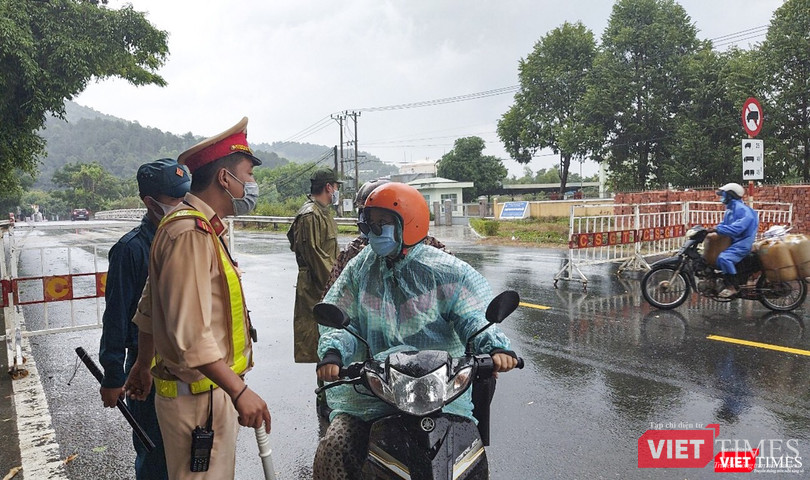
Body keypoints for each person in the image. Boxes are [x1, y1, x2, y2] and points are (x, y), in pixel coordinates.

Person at [312, 182, 519, 479]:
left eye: (382, 223)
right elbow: (343, 317)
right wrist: (333, 352)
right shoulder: (360, 268)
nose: (374, 231)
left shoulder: (446, 270)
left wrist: (495, 347)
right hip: (375, 391)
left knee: (466, 450)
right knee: (336, 444)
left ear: (408, 222)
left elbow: (473, 316)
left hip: (438, 390)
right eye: (370, 223)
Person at [125, 117, 271, 479]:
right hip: (199, 399)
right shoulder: (189, 232)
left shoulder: (195, 227)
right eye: (248, 175)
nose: (251, 185)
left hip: (205, 391)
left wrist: (143, 364)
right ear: (225, 178)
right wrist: (240, 392)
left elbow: (150, 306)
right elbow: (190, 335)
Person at [98, 158, 190, 480]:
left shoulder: (190, 240)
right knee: (155, 457)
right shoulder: (131, 250)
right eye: (175, 200)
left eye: (186, 196)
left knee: (190, 456)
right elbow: (117, 316)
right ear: (150, 202)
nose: (183, 205)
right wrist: (112, 375)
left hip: (186, 369)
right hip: (146, 369)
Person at [322, 178, 449, 294]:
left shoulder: (431, 251)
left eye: (382, 219)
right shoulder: (353, 254)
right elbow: (333, 297)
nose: (370, 223)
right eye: (367, 217)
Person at [287, 167, 342, 417]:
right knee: (322, 338)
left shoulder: (321, 212)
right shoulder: (310, 215)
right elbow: (317, 257)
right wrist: (336, 286)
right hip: (318, 288)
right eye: (336, 186)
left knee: (329, 336)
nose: (337, 191)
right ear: (328, 187)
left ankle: (331, 393)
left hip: (324, 285)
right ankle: (325, 398)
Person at [707, 182, 759, 298]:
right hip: (734, 242)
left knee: (724, 258)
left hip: (742, 243)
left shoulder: (743, 210)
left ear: (731, 195)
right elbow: (724, 225)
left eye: (724, 195)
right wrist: (709, 229)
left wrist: (717, 229)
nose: (722, 197)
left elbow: (737, 229)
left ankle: (733, 287)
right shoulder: (730, 210)